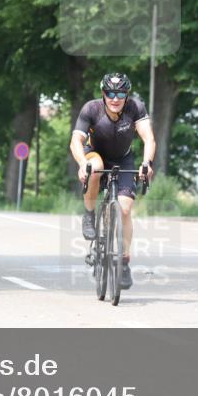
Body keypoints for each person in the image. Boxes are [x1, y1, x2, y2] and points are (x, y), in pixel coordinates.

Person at [70, 73, 156, 290]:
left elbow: (148, 138)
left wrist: (147, 163)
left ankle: (124, 260)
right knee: (95, 168)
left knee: (125, 209)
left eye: (120, 94)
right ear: (103, 94)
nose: (115, 99)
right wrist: (82, 163)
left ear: (126, 95)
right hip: (94, 154)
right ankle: (89, 214)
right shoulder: (91, 109)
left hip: (123, 158)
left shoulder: (135, 108)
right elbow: (76, 141)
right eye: (110, 94)